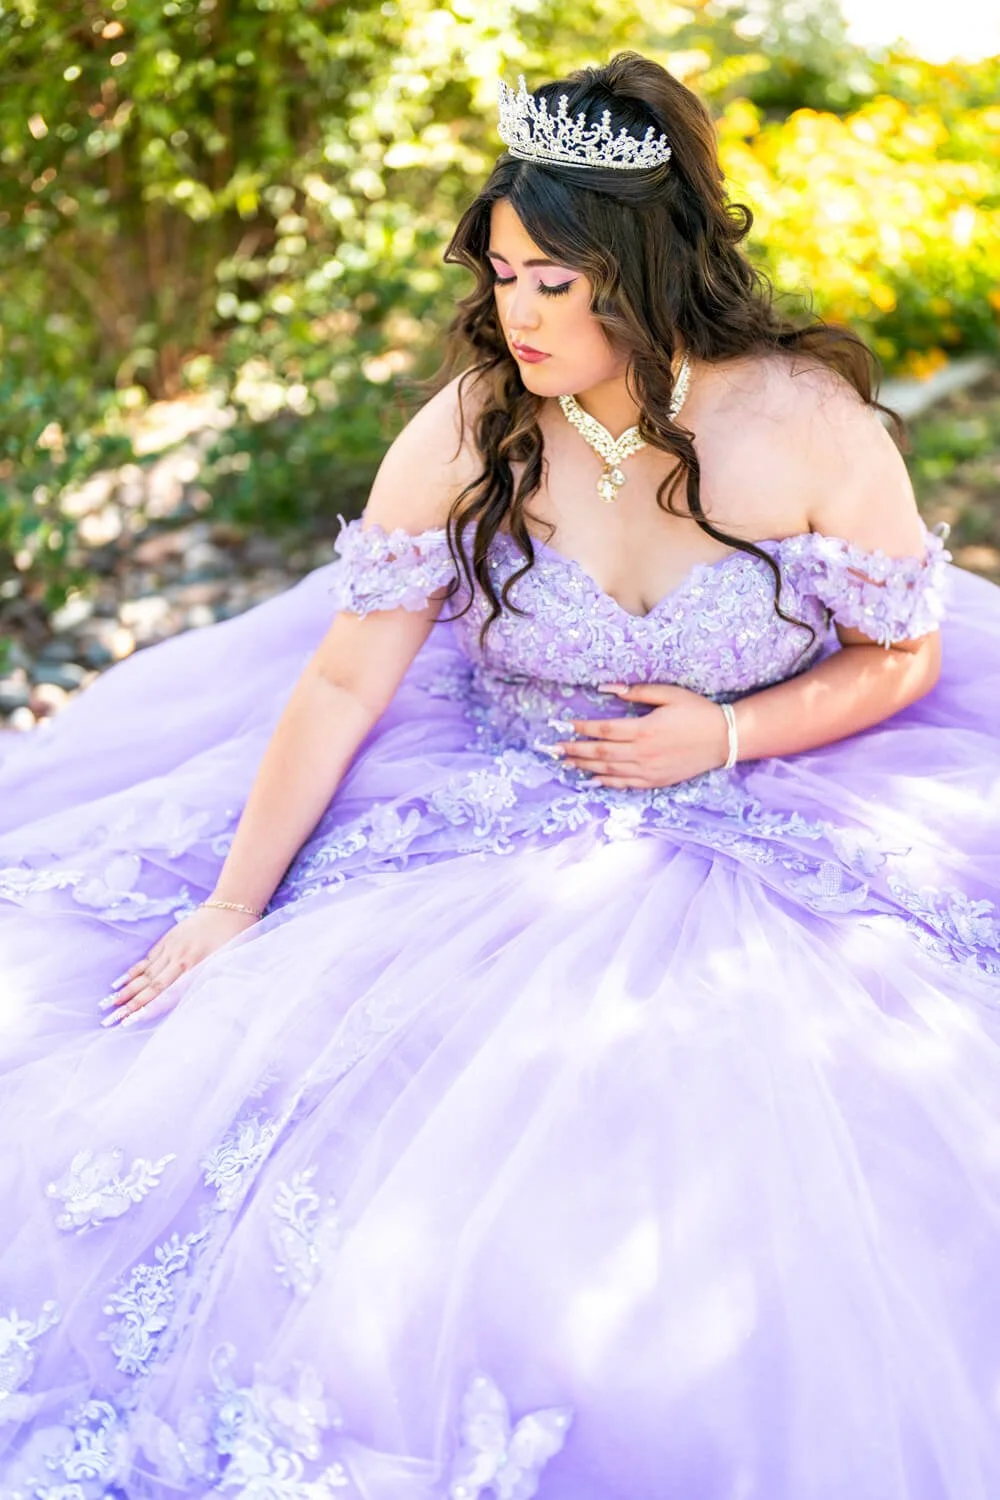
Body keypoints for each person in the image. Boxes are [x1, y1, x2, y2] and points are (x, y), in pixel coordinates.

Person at [1, 48, 998, 1500]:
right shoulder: (475, 426)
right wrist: (231, 904)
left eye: (552, 282)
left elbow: (907, 653)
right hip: (494, 795)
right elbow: (347, 678)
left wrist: (725, 735)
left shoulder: (806, 426)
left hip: (762, 794)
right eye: (505, 276)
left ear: (643, 269)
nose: (517, 315)